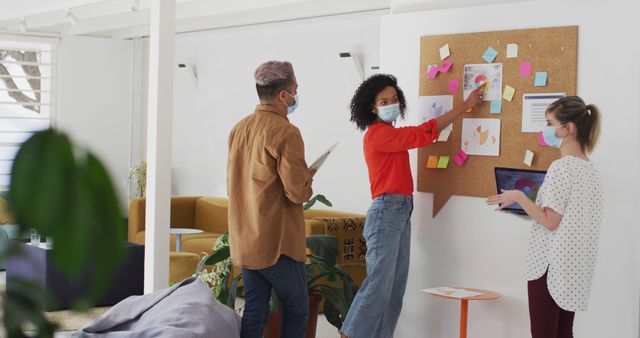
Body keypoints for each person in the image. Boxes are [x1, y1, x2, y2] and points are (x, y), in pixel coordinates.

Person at [340, 74, 485, 338]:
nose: (391, 104)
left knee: (394, 291)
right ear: (372, 107)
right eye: (384, 101)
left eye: (394, 99)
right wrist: (464, 106)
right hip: (386, 212)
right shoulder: (377, 135)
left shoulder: (389, 133)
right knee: (378, 287)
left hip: (400, 210)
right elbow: (422, 134)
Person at [487, 96, 603, 338]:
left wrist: (519, 197)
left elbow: (550, 221)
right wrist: (528, 207)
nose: (546, 129)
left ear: (568, 129)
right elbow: (566, 219)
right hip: (575, 268)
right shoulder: (591, 171)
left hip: (549, 267)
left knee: (544, 333)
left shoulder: (561, 168)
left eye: (550, 123)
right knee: (563, 332)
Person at [227, 60, 314, 338]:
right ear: (282, 95)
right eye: (295, 88)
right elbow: (297, 192)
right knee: (298, 306)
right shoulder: (286, 132)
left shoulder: (238, 129)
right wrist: (307, 180)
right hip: (278, 245)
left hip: (246, 239)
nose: (297, 94)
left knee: (255, 308)